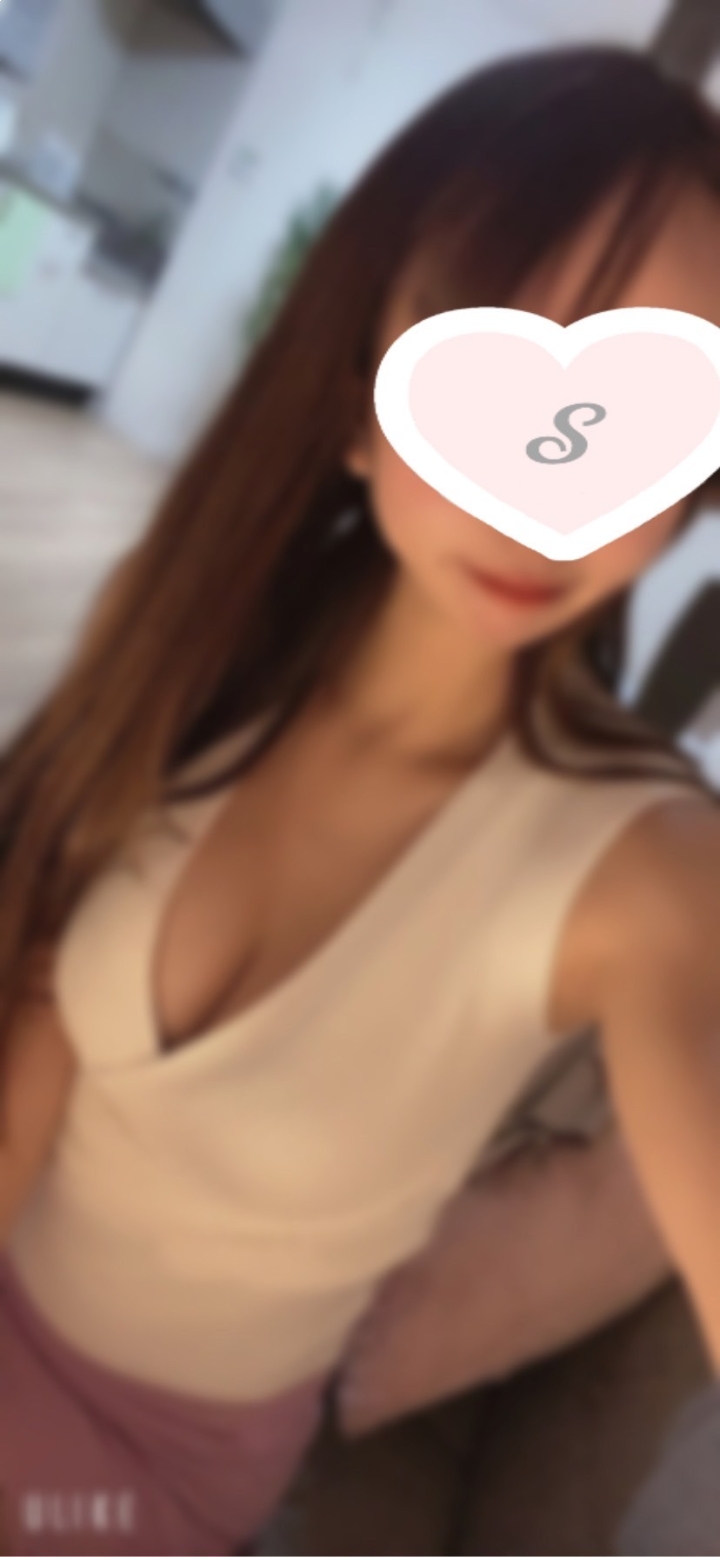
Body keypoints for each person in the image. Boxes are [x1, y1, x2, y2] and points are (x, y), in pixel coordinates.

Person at [1, 43, 720, 1557]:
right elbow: (46, 1026)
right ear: (359, 399)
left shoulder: (643, 871)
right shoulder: (201, 657)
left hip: (138, 1477)